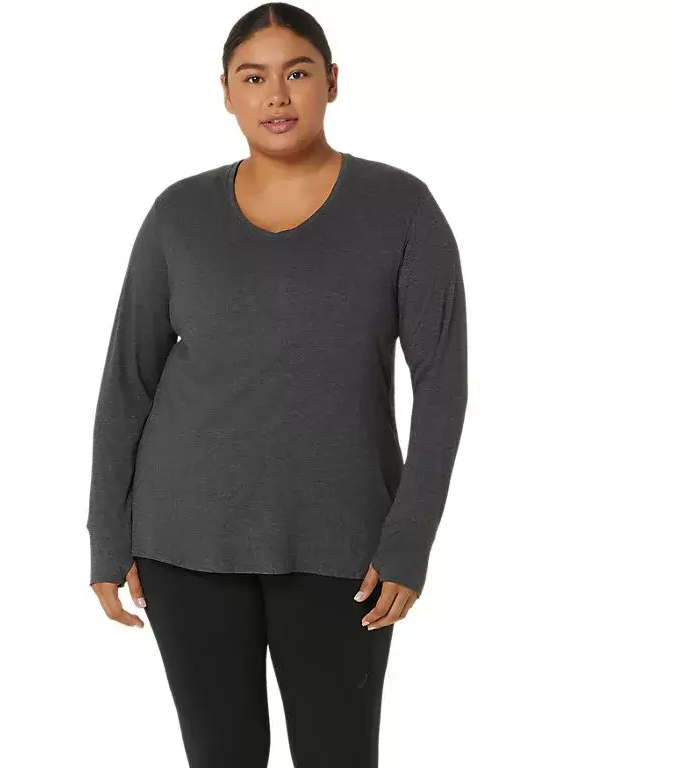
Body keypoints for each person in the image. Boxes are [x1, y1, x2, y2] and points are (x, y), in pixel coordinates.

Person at [86, 3, 468, 766]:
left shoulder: (402, 210)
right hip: (184, 542)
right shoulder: (178, 215)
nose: (277, 96)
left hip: (344, 547)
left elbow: (442, 385)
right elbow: (128, 379)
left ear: (332, 81)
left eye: (297, 73)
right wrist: (108, 535)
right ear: (226, 93)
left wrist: (408, 541)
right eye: (253, 78)